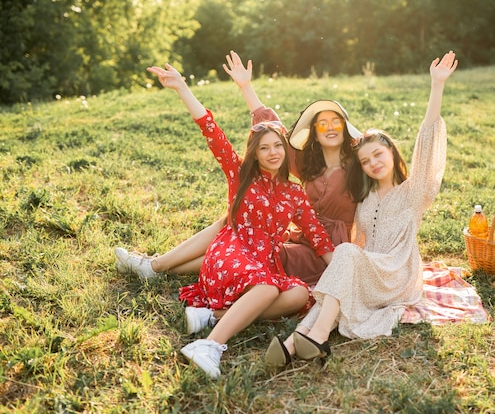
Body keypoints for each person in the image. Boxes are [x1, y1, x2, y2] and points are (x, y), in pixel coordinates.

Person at [264, 51, 459, 367]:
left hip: (398, 274)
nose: (373, 164)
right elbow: (355, 246)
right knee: (344, 267)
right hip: (371, 269)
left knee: (346, 257)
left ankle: (315, 336)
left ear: (393, 154)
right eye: (366, 161)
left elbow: (427, 141)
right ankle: (295, 340)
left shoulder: (414, 191)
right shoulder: (365, 197)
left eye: (379, 155)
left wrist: (436, 86)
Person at [145, 60, 335, 378]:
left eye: (278, 146)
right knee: (265, 290)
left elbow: (317, 236)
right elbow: (211, 130)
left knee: (300, 293)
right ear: (255, 152)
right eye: (265, 148)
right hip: (231, 250)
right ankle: (208, 345)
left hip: (263, 262)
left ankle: (213, 314)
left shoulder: (293, 193)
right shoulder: (240, 175)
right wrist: (182, 88)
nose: (273, 153)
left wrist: (343, 267)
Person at [116, 51, 359, 285]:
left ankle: (154, 267)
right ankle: (155, 267)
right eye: (323, 123)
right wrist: (193, 88)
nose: (329, 128)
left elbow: (323, 232)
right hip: (278, 242)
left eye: (336, 122)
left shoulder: (356, 167)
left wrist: (344, 269)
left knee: (251, 244)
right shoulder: (306, 165)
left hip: (314, 252)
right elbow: (252, 133)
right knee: (234, 226)